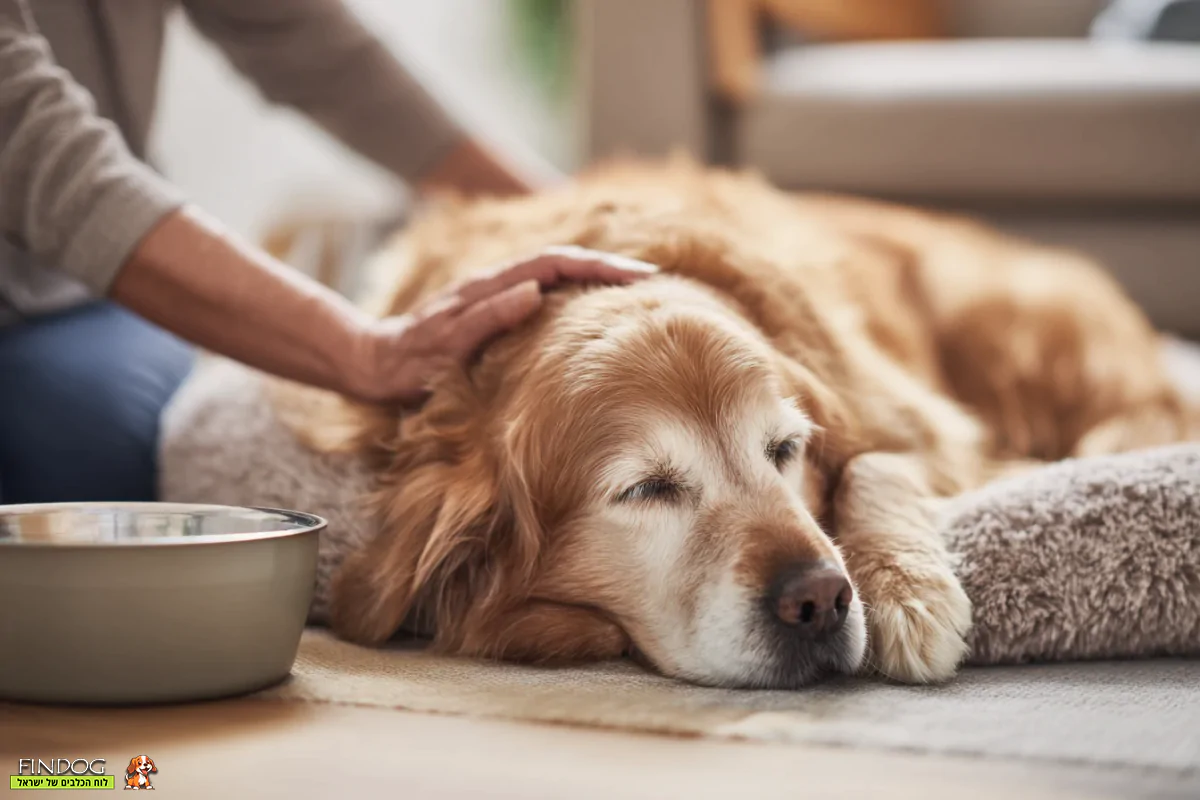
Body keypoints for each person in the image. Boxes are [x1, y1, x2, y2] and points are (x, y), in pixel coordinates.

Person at [0, 0, 657, 504]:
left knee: (116, 445)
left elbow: (312, 45)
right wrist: (366, 352)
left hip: (77, 297)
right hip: (48, 271)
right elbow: (28, 140)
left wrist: (571, 220)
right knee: (77, 475)